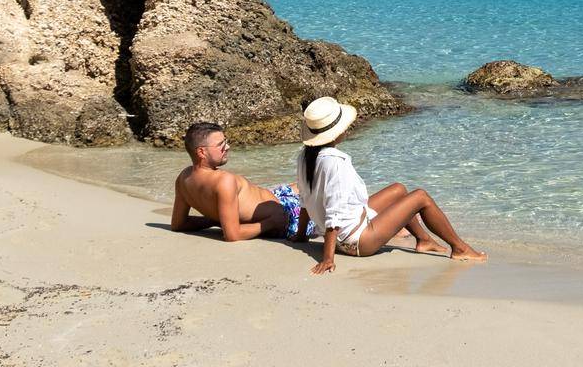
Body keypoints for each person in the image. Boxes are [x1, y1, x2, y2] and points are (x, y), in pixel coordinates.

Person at [295, 95, 487, 274]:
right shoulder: (336, 162)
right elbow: (334, 212)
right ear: (336, 132)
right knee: (421, 197)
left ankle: (424, 240)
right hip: (356, 241)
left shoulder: (305, 156)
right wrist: (328, 258)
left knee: (398, 190)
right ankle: (460, 248)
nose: (346, 128)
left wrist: (301, 235)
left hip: (345, 233)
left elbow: (305, 198)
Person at [170, 121, 307, 242]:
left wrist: (216, 220)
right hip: (286, 215)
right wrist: (270, 223)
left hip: (274, 197)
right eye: (221, 145)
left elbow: (178, 224)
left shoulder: (184, 178)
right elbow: (232, 235)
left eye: (226, 141)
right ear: (201, 152)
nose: (228, 147)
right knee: (318, 194)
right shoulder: (223, 181)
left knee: (301, 186)